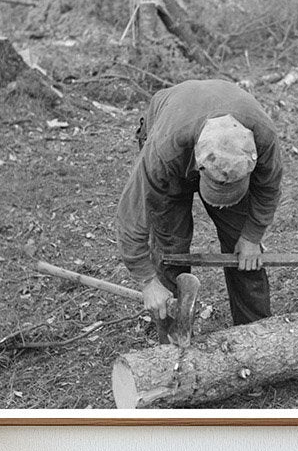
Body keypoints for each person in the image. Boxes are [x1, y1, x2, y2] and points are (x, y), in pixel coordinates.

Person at [116, 79, 284, 334]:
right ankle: (175, 339)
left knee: (244, 252)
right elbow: (132, 214)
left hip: (205, 127)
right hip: (174, 133)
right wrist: (148, 280)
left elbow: (269, 187)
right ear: (199, 165)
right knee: (170, 247)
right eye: (217, 186)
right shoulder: (164, 150)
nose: (221, 196)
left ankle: (256, 334)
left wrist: (252, 236)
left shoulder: (263, 137)